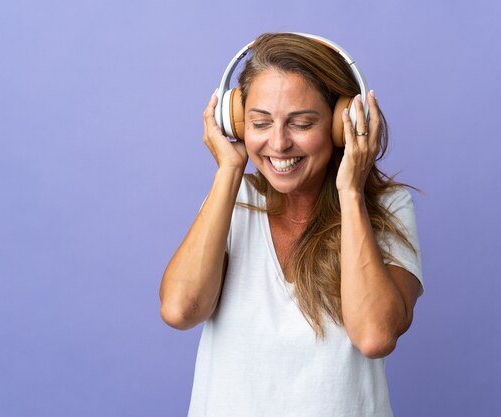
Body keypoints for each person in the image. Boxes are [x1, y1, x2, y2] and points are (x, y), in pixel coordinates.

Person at [159, 32, 425, 417]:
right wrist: (229, 172)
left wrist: (350, 191)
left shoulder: (388, 208)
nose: (279, 144)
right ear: (235, 122)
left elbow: (374, 336)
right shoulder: (232, 201)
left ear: (342, 123)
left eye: (301, 124)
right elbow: (180, 310)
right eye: (260, 123)